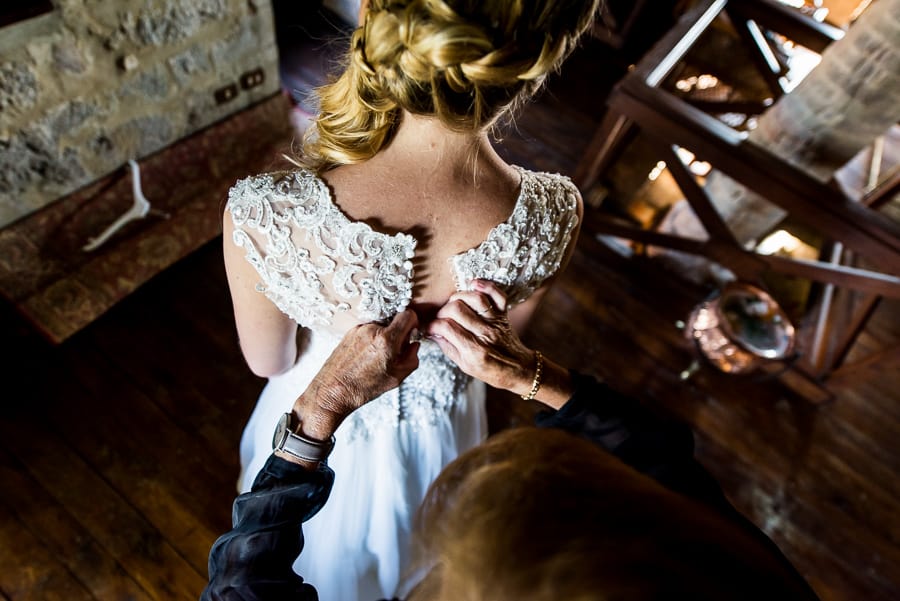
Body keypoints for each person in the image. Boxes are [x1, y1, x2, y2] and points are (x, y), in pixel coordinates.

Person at [222, 1, 599, 599]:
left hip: (314, 432)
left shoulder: (264, 214)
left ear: (376, 16)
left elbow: (269, 362)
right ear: (539, 59)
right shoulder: (556, 213)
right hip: (445, 428)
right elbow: (504, 343)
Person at [202, 280, 821, 601]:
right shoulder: (732, 577)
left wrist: (318, 406)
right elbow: (662, 461)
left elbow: (242, 590)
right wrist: (533, 375)